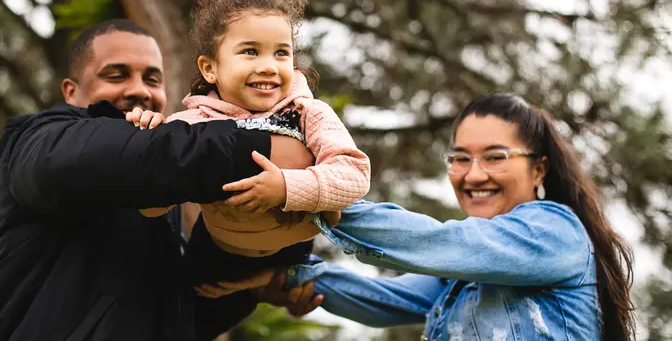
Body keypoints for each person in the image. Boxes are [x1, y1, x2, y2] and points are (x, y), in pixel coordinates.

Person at [0, 19, 323, 341]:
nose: (139, 90)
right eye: (116, 75)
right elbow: (122, 157)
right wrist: (261, 146)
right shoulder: (35, 140)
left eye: (153, 79)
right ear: (71, 91)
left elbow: (177, 318)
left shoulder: (162, 192)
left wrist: (249, 283)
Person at [226, 93, 635, 340]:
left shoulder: (555, 230)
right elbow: (387, 299)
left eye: (495, 157)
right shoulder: (461, 276)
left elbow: (446, 243)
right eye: (460, 158)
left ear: (539, 169)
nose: (473, 175)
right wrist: (287, 279)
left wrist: (310, 192)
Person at [127, 0, 370, 287]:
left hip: (294, 243)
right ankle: (246, 286)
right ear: (210, 68)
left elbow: (355, 173)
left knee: (361, 219)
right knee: (193, 289)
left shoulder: (307, 112)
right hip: (221, 250)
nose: (269, 65)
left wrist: (286, 187)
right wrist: (151, 141)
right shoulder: (193, 123)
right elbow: (150, 208)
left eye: (281, 53)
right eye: (251, 52)